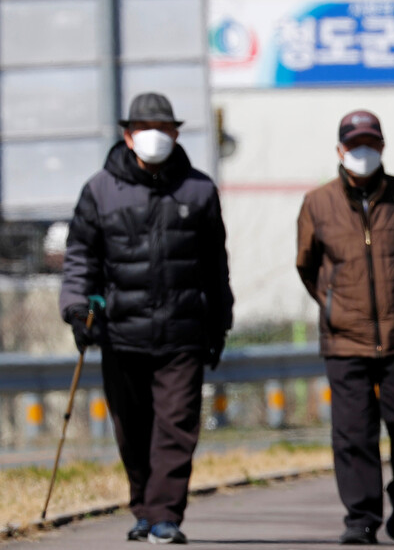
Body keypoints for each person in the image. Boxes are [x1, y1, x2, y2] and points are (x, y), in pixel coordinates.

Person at [60, 92, 234, 544]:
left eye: (164, 128)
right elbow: (80, 255)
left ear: (176, 133)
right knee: (132, 429)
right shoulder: (99, 190)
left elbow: (215, 264)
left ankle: (164, 516)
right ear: (128, 136)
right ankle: (143, 505)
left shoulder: (199, 190)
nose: (155, 137)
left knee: (177, 426)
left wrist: (219, 322)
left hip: (183, 334)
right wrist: (77, 307)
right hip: (121, 332)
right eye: (144, 129)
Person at [296, 110, 394, 545]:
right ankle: (361, 518)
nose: (363, 153)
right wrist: (335, 304)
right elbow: (307, 265)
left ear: (383, 148)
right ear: (339, 150)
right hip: (346, 339)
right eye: (355, 145)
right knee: (353, 434)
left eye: (371, 144)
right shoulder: (317, 203)